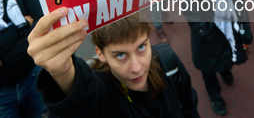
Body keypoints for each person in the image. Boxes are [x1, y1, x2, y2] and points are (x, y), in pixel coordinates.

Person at [28, 12, 200, 118]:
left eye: (141, 47)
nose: (136, 67)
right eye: (120, 55)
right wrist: (62, 74)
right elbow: (81, 105)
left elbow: (189, 105)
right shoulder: (101, 92)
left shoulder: (167, 61)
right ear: (101, 54)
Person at [182, 0, 247, 116]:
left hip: (227, 18)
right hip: (206, 24)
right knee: (208, 62)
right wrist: (202, 29)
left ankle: (225, 68)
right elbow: (186, 2)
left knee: (225, 49)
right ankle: (215, 95)